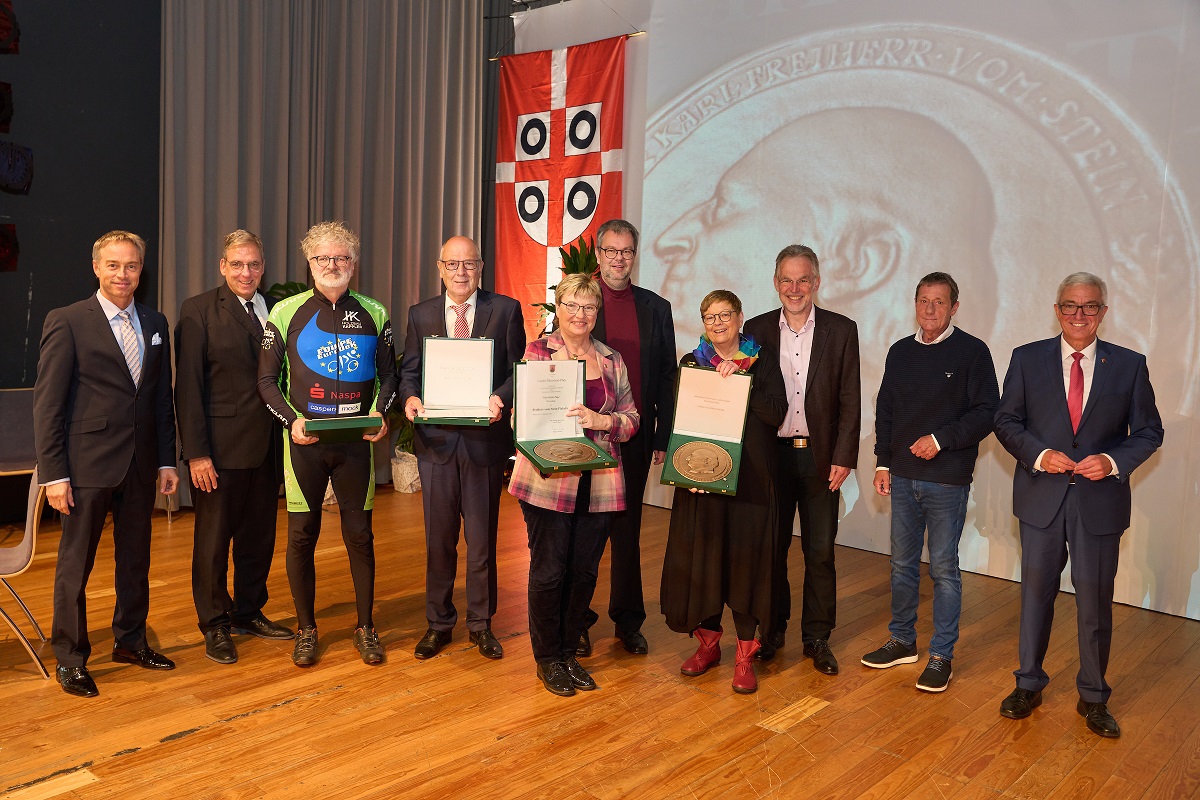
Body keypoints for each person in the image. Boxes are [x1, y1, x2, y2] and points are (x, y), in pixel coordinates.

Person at [994, 272, 1162, 738]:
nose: (1079, 315)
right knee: (1034, 598)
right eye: (1070, 306)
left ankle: (1093, 696)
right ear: (1057, 310)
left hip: (1099, 503)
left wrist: (1111, 461)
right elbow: (1006, 421)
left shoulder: (1128, 365)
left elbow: (1149, 431)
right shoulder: (1026, 359)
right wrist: (1040, 454)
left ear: (1103, 312)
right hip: (1040, 499)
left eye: (1090, 307)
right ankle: (1028, 683)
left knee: (1094, 604)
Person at [33, 230, 180, 697]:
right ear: (96, 268)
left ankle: (131, 642)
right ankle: (71, 658)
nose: (123, 274)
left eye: (132, 266)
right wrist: (54, 475)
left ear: (142, 270)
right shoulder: (68, 320)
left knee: (136, 561)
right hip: (85, 467)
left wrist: (166, 461)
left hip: (140, 466)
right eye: (113, 265)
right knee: (75, 567)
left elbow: (160, 399)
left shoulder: (156, 323)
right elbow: (48, 405)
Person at [257, 221, 398, 668]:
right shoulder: (284, 314)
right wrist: (291, 420)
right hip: (306, 443)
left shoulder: (374, 312)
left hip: (356, 444)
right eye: (323, 258)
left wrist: (381, 411)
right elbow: (265, 380)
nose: (331, 265)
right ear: (310, 263)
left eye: (340, 258)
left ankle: (365, 627)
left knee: (360, 536)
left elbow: (390, 375)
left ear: (353, 264)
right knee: (302, 536)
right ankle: (306, 629)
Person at [864, 272, 999, 692]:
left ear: (954, 307)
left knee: (943, 568)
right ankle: (903, 640)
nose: (930, 309)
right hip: (902, 477)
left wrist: (941, 440)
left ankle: (942, 654)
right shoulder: (900, 352)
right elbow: (885, 409)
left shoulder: (973, 352)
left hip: (946, 480)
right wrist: (883, 463)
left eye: (939, 302)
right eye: (923, 300)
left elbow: (987, 413)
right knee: (901, 564)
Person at [508, 273, 639, 697]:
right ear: (558, 309)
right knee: (549, 572)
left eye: (588, 307)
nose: (580, 315)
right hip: (549, 481)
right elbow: (518, 417)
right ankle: (547, 659)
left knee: (583, 573)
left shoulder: (612, 359)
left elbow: (632, 419)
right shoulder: (537, 352)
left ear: (596, 313)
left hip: (599, 483)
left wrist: (605, 422)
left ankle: (568, 653)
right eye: (571, 306)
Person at [400, 235, 525, 661]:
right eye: (452, 264)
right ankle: (438, 623)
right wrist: (410, 399)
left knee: (482, 540)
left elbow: (517, 369)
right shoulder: (421, 314)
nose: (460, 272)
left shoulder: (505, 310)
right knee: (439, 541)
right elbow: (408, 372)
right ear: (440, 268)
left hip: (482, 444)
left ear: (481, 266)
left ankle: (480, 624)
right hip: (436, 444)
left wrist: (501, 397)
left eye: (469, 264)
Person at [175, 229, 294, 665]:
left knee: (258, 536)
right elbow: (187, 388)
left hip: (268, 446)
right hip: (220, 452)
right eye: (238, 264)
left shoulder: (276, 311)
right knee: (212, 540)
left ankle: (247, 611)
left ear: (264, 268)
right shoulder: (198, 311)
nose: (247, 272)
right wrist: (197, 453)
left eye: (255, 264)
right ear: (223, 267)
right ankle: (214, 623)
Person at [660, 290, 787, 694]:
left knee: (746, 567)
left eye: (725, 315)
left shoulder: (761, 361)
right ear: (703, 323)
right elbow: (681, 419)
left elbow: (776, 412)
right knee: (705, 564)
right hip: (703, 481)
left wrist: (742, 382)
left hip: (750, 482)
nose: (718, 323)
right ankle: (709, 645)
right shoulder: (691, 364)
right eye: (710, 317)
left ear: (739, 316)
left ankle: (745, 657)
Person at [742, 245, 860, 674]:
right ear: (776, 283)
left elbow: (850, 399)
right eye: (787, 280)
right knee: (770, 552)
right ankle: (771, 631)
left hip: (821, 458)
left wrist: (845, 456)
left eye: (803, 279)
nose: (795, 288)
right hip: (770, 459)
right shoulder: (753, 330)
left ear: (817, 282)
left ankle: (817, 637)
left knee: (820, 552)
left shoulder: (842, 330)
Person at [581, 218, 676, 657]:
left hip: (634, 436)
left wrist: (663, 436)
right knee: (584, 531)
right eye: (611, 251)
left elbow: (664, 378)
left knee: (627, 530)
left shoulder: (656, 308)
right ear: (598, 254)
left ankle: (628, 620)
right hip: (585, 436)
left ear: (635, 256)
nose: (619, 258)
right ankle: (577, 619)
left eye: (627, 251)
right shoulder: (579, 301)